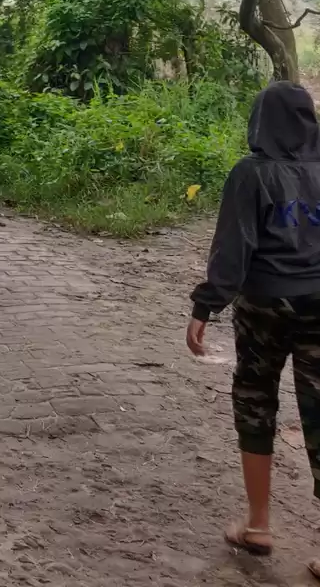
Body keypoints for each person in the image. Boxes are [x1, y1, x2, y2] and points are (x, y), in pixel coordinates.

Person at [188, 80, 320, 575]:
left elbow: (233, 250)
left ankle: (259, 524)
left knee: (255, 398)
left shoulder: (251, 174)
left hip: (265, 304)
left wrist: (206, 306)